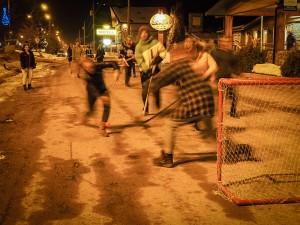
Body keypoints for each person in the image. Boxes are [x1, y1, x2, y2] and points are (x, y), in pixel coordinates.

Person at [149, 39, 215, 168]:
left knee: (170, 124)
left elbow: (163, 78)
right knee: (207, 134)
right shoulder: (193, 61)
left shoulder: (182, 63)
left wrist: (150, 86)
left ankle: (167, 158)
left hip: (195, 103)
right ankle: (232, 151)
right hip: (207, 102)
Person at [78, 56, 120, 137]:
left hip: (102, 89)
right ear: (84, 68)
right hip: (92, 92)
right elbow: (92, 89)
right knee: (91, 111)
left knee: (107, 106)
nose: (91, 69)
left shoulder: (98, 65)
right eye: (87, 68)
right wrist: (100, 97)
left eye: (91, 66)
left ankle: (102, 128)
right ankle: (85, 116)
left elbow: (113, 63)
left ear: (93, 63)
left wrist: (116, 71)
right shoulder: (87, 77)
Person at [135, 25, 167, 115]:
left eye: (146, 32)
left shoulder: (155, 43)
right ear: (140, 35)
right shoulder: (138, 46)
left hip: (155, 70)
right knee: (145, 91)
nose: (144, 34)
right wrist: (146, 68)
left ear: (148, 34)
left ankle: (157, 104)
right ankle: (146, 108)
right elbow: (138, 58)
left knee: (156, 89)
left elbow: (163, 52)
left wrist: (157, 60)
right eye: (142, 33)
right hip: (144, 72)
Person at [211, 37, 239, 117]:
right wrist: (212, 75)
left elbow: (235, 64)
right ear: (220, 42)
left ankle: (233, 112)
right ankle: (216, 113)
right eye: (224, 41)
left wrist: (235, 73)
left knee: (233, 96)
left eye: (227, 42)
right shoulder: (215, 52)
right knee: (218, 97)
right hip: (218, 78)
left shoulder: (230, 54)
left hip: (228, 78)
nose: (225, 43)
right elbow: (211, 64)